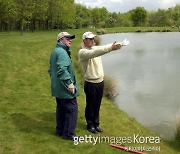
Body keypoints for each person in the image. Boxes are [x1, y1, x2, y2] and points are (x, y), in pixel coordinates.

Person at [78, 31, 122, 134]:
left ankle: (96, 124)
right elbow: (96, 52)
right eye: (90, 39)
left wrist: (116, 45)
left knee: (97, 104)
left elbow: (102, 48)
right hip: (91, 83)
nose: (93, 41)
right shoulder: (83, 52)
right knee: (91, 105)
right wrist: (111, 48)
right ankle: (90, 125)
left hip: (100, 82)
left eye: (93, 39)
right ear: (84, 41)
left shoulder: (94, 48)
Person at [48, 32, 80, 140]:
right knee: (72, 110)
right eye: (68, 38)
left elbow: (51, 70)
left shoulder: (55, 51)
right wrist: (70, 83)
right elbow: (62, 69)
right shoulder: (62, 52)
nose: (70, 40)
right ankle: (69, 134)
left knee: (61, 109)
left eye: (71, 38)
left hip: (58, 88)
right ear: (61, 40)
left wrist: (55, 82)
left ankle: (60, 131)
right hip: (64, 88)